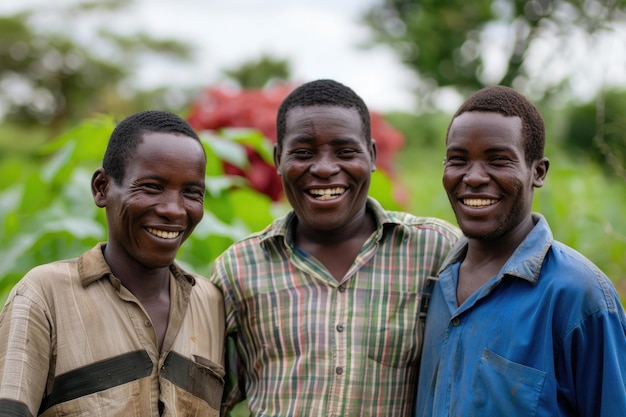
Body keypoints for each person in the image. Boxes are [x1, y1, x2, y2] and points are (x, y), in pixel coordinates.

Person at [210, 79, 461, 416]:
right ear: (278, 159)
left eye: (345, 152)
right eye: (303, 153)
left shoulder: (435, 250)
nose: (325, 168)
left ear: (371, 156)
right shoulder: (238, 269)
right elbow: (207, 397)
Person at [415, 85, 626, 417]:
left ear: (537, 172)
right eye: (458, 160)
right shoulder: (436, 281)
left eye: (498, 160)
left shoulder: (579, 297)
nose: (473, 177)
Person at [0, 110, 225, 417]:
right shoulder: (44, 296)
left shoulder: (212, 303)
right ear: (102, 188)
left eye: (191, 192)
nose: (174, 209)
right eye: (152, 187)